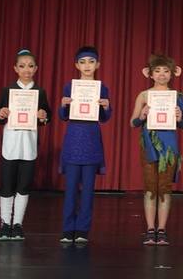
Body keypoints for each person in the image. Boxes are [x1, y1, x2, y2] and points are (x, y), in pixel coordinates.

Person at [0, 49, 52, 241]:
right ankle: (5, 224)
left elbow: (47, 116)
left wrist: (43, 116)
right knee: (7, 185)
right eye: (22, 66)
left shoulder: (39, 92)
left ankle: (18, 224)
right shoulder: (8, 91)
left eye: (30, 66)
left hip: (29, 144)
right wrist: (1, 114)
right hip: (10, 144)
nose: (26, 69)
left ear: (36, 68)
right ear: (15, 68)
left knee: (24, 186)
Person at [130, 53, 183, 246]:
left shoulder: (178, 96)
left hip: (169, 147)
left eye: (166, 71)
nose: (162, 74)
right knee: (150, 187)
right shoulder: (144, 95)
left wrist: (179, 118)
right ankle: (150, 228)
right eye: (157, 71)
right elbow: (133, 122)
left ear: (173, 73)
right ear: (150, 73)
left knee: (164, 187)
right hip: (149, 145)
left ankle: (161, 228)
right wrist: (142, 115)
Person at [58, 46, 112, 244]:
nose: (87, 65)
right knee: (71, 189)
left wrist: (106, 107)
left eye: (91, 61)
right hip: (74, 139)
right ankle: (67, 228)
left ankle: (82, 229)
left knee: (88, 190)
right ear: (77, 65)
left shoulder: (102, 88)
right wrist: (63, 105)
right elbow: (63, 116)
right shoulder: (69, 87)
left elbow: (104, 118)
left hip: (91, 140)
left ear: (97, 64)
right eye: (83, 62)